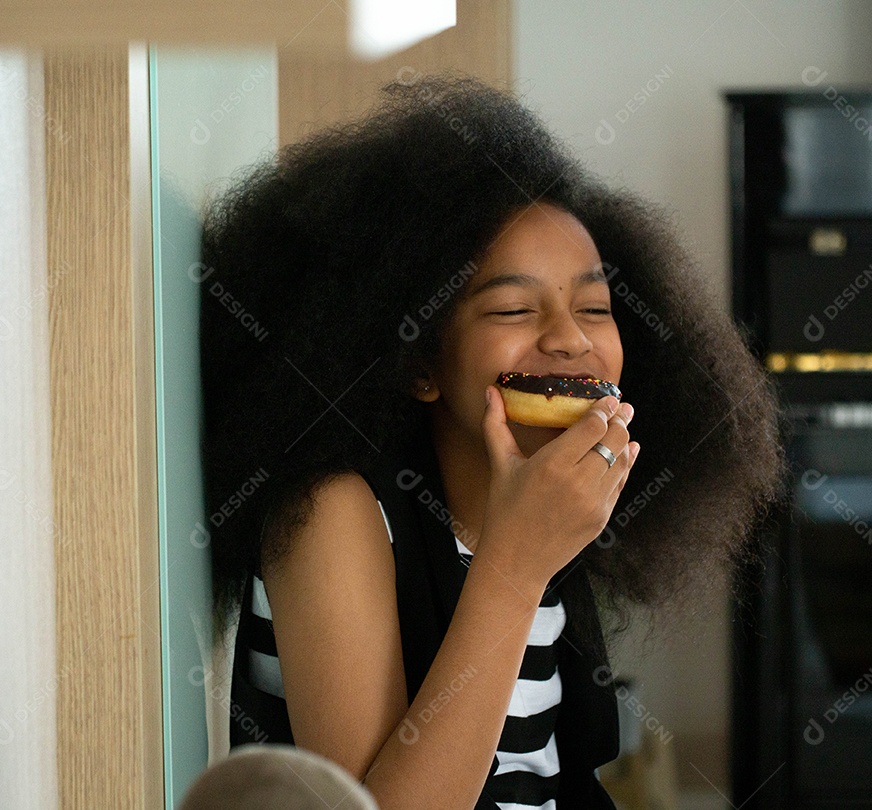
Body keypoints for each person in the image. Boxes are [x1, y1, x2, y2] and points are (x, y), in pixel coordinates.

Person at [198, 75, 784, 810]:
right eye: (513, 306)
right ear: (418, 366)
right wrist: (515, 567)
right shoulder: (336, 514)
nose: (570, 339)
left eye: (596, 307)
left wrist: (525, 555)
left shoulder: (542, 524)